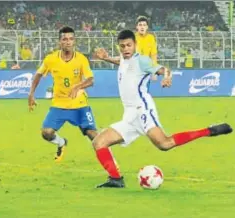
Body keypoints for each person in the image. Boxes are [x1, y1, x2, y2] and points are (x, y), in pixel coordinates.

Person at [93, 30, 232, 188]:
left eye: (129, 45)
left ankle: (209, 131)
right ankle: (116, 180)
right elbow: (122, 62)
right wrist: (107, 58)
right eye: (122, 46)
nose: (126, 49)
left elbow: (164, 69)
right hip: (129, 115)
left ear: (135, 45)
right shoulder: (125, 60)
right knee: (99, 142)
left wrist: (166, 77)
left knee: (164, 144)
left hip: (142, 110)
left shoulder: (142, 61)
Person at [28, 26, 98, 162]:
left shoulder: (81, 59)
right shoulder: (51, 59)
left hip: (79, 104)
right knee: (46, 132)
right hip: (59, 104)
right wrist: (31, 94)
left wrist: (78, 86)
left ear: (74, 41)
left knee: (94, 135)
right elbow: (38, 75)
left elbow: (90, 80)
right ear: (59, 42)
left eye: (71, 39)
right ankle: (61, 143)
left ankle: (113, 169)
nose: (68, 42)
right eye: (65, 39)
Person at [135, 16, 158, 80]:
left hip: (146, 70)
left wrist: (154, 72)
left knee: (144, 89)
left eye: (144, 25)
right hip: (134, 69)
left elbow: (153, 55)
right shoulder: (133, 38)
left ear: (147, 27)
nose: (142, 27)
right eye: (140, 25)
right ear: (137, 27)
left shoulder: (151, 38)